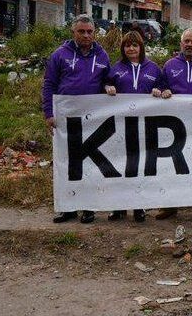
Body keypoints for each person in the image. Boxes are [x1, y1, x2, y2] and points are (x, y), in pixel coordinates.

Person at [42, 15, 111, 224]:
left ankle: (88, 207)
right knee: (66, 163)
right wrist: (48, 113)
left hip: (92, 118)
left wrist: (109, 86)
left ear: (94, 32)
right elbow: (49, 84)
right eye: (82, 31)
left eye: (90, 31)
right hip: (66, 118)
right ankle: (67, 207)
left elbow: (107, 80)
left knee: (90, 164)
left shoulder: (102, 55)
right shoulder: (59, 55)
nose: (86, 35)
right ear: (74, 32)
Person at [103, 30, 168, 222]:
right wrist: (107, 88)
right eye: (127, 45)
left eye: (135, 45)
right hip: (120, 125)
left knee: (139, 166)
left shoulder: (154, 68)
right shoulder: (116, 68)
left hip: (144, 126)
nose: (131, 48)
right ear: (123, 48)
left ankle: (139, 206)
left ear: (141, 48)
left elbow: (165, 89)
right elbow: (103, 85)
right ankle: (118, 207)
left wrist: (161, 91)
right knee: (119, 165)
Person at [153, 28, 192, 222]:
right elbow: (161, 85)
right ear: (181, 44)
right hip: (175, 125)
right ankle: (170, 205)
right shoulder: (170, 65)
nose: (189, 44)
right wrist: (163, 90)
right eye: (186, 41)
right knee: (172, 165)